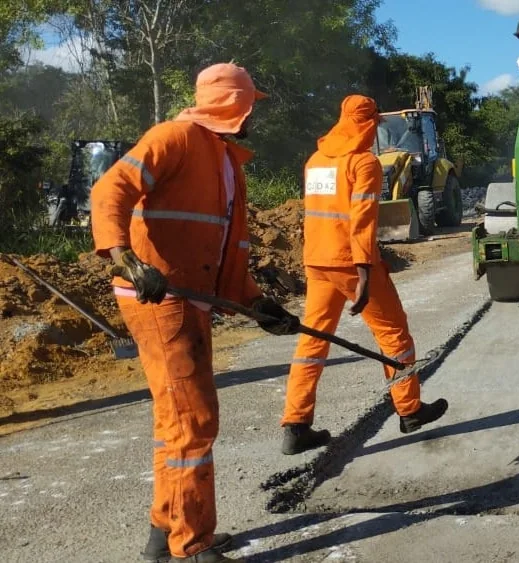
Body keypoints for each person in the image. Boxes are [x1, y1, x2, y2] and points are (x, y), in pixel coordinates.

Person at [90, 62, 298, 563]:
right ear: (234, 103)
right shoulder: (176, 137)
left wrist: (256, 303)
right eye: (250, 105)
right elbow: (108, 191)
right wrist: (127, 260)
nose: (254, 116)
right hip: (159, 298)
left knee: (175, 420)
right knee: (195, 421)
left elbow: (227, 247)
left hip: (188, 297)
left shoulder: (224, 160)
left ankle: (166, 530)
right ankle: (192, 545)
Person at [280, 94, 448, 455]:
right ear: (370, 123)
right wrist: (364, 275)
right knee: (394, 335)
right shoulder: (364, 164)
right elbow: (361, 223)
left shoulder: (316, 161)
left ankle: (295, 424)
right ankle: (410, 410)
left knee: (312, 341)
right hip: (351, 263)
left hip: (317, 262)